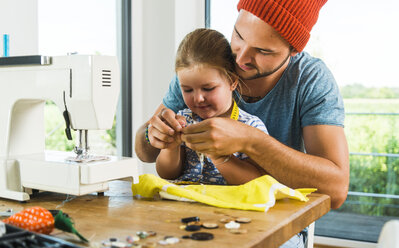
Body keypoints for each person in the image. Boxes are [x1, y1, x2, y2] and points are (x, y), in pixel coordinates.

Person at [135, 0, 349, 211]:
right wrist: (154, 134)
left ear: (293, 51)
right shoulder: (206, 67)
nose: (241, 58)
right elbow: (144, 152)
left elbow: (336, 193)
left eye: (263, 51)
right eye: (238, 35)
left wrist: (250, 140)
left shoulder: (310, 79)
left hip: (273, 220)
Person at [156, 28, 268, 185]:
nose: (198, 98)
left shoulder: (251, 126)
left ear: (232, 81)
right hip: (186, 206)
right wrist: (171, 147)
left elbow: (256, 182)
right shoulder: (183, 120)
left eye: (208, 88)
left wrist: (220, 156)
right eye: (187, 89)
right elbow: (166, 174)